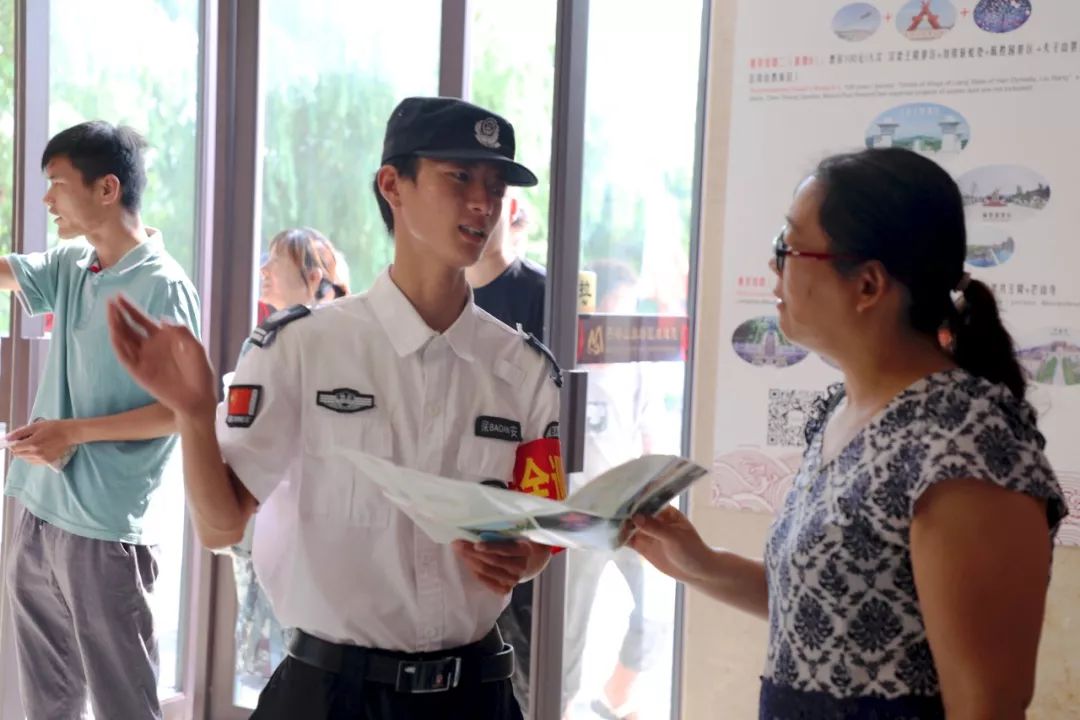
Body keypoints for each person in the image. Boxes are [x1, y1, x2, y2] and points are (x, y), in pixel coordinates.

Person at [108, 97, 562, 720]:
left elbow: (539, 534)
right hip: (329, 695)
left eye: (495, 183)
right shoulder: (302, 348)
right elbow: (220, 527)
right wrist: (192, 414)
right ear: (391, 185)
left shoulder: (525, 371)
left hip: (475, 694)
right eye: (459, 178)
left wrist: (524, 555)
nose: (484, 202)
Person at [629, 147, 1068, 719]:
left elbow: (987, 706)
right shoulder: (841, 410)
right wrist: (699, 562)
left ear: (867, 286)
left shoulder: (966, 444)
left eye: (787, 248)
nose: (773, 268)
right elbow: (835, 611)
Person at [0, 121, 200, 720]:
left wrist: (74, 432)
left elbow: (179, 412)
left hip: (106, 529)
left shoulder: (164, 288)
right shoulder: (71, 264)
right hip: (36, 510)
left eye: (57, 184)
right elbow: (8, 275)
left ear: (107, 189)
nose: (46, 200)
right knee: (49, 704)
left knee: (124, 705)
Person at [232, 227, 350, 690]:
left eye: (273, 262)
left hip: (299, 518)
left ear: (313, 275)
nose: (262, 270)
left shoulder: (315, 338)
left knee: (290, 661)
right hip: (271, 514)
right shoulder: (277, 337)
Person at [562, 259, 668, 720]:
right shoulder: (566, 362)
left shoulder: (638, 368)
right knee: (567, 631)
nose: (627, 315)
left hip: (629, 512)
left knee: (655, 611)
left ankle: (613, 700)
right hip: (577, 517)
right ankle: (558, 706)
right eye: (621, 303)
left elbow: (650, 440)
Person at [467, 192, 547, 713]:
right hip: (455, 518)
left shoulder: (542, 293)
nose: (478, 208)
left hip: (522, 510)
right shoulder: (439, 302)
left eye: (493, 194)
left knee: (524, 671)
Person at [467, 191, 546, 339]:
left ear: (513, 208)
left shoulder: (545, 293)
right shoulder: (436, 294)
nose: (479, 206)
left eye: (495, 190)